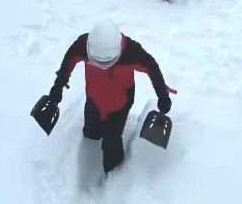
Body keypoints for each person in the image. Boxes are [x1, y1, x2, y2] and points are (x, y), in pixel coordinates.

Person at [46, 20, 172, 174]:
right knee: (91, 134)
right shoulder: (82, 46)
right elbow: (69, 60)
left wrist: (162, 95)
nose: (102, 66)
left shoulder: (132, 53)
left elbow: (152, 67)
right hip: (94, 100)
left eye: (107, 62)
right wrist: (58, 85)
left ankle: (114, 179)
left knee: (111, 145)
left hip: (120, 104)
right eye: (97, 61)